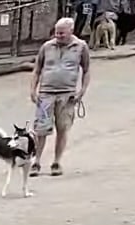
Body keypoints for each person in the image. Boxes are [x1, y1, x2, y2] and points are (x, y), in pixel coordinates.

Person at [29, 16, 91, 177]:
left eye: (62, 33)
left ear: (71, 31)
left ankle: (56, 162)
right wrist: (33, 90)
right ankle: (36, 162)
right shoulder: (47, 47)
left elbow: (86, 70)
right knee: (40, 129)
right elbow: (37, 69)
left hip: (67, 94)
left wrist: (82, 91)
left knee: (62, 128)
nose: (58, 36)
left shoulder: (81, 47)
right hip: (46, 94)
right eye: (57, 33)